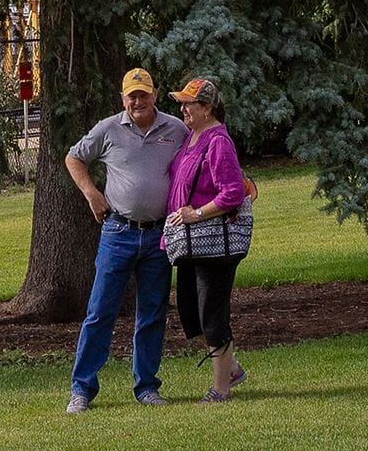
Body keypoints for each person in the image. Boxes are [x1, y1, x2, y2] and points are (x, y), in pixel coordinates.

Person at [64, 66, 188, 413]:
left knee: (151, 314)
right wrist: (91, 192)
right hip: (117, 232)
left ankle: (146, 387)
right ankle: (82, 390)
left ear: (155, 94)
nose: (138, 101)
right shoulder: (108, 129)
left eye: (143, 94)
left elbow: (197, 157)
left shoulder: (175, 129)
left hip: (159, 237)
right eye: (131, 95)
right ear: (123, 98)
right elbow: (74, 157)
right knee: (100, 312)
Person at [165, 77, 250, 403]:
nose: (182, 108)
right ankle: (232, 368)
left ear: (207, 107)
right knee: (191, 315)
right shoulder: (193, 137)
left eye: (189, 103)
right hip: (189, 244)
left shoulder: (218, 142)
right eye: (182, 102)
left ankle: (221, 390)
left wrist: (196, 214)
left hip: (214, 243)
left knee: (212, 316)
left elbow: (232, 192)